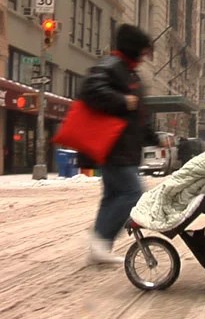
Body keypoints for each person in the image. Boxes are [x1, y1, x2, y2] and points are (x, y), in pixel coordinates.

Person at [79, 23, 159, 264]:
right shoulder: (111, 66)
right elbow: (90, 90)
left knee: (113, 195)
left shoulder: (129, 72)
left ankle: (99, 248)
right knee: (132, 193)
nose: (145, 57)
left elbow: (137, 113)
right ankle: (100, 241)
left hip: (124, 149)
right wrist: (123, 100)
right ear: (133, 48)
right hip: (114, 149)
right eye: (144, 51)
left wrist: (150, 135)